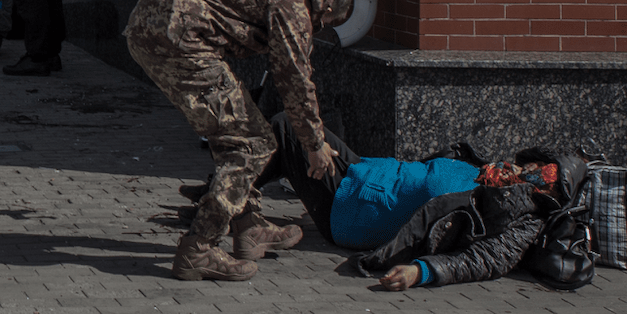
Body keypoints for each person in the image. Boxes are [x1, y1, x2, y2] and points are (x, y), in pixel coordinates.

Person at [125, 0, 354, 281]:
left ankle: (248, 226)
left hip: (150, 25)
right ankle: (199, 247)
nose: (318, 28)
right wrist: (314, 143)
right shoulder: (294, 3)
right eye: (324, 24)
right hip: (181, 40)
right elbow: (293, 79)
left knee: (233, 133)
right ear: (327, 10)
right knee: (252, 143)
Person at [188, 112, 480, 253]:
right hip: (363, 173)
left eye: (517, 173)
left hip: (352, 209)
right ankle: (219, 197)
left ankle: (218, 201)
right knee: (292, 131)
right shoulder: (483, 170)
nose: (507, 169)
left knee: (287, 128)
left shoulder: (477, 200)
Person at [357, 158, 571, 290]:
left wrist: (420, 272)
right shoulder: (496, 171)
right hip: (372, 171)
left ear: (551, 192)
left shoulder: (527, 222)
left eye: (547, 173)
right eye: (544, 165)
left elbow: (482, 260)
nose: (535, 167)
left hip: (360, 209)